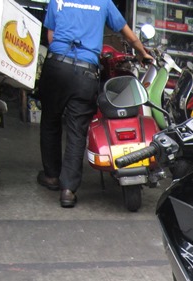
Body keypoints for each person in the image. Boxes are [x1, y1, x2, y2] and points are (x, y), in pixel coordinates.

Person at [37, 0, 153, 208]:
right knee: (77, 129)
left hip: (56, 66)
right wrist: (142, 53)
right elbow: (128, 33)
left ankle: (52, 176)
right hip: (86, 72)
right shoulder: (103, 2)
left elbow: (51, 37)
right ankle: (68, 190)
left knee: (50, 121)